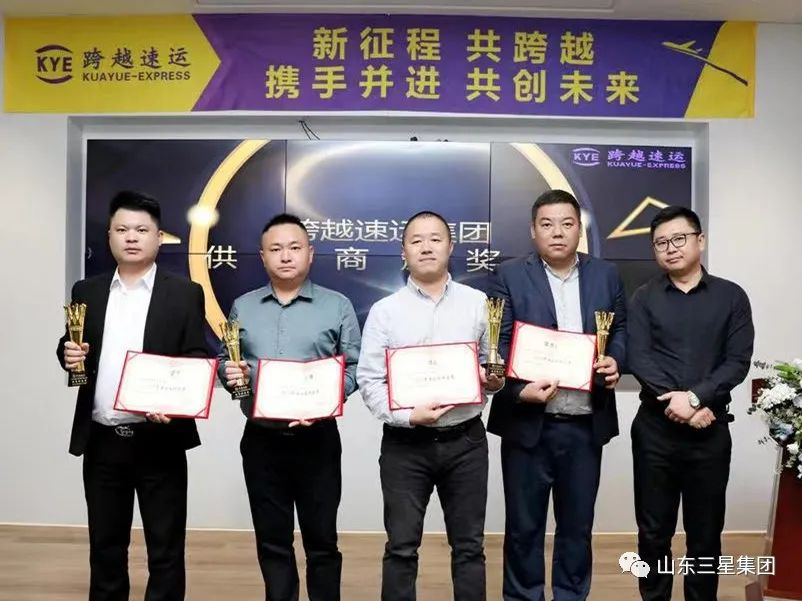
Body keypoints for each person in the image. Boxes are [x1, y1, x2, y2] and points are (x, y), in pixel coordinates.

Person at [57, 190, 208, 601]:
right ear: (109, 236)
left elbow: (197, 358)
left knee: (166, 550)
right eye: (122, 229)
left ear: (159, 237)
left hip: (160, 440)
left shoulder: (184, 293)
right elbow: (71, 348)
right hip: (102, 441)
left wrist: (174, 403)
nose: (131, 237)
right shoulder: (87, 291)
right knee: (105, 549)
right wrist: (67, 355)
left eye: (142, 229)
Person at [487, 189, 627, 601]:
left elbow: (621, 329)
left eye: (567, 224)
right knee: (523, 527)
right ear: (533, 231)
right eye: (547, 224)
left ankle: (570, 594)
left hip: (585, 423)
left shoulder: (606, 274)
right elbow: (499, 341)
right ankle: (523, 596)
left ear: (579, 230)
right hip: (528, 423)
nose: (558, 232)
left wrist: (616, 359)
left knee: (577, 526)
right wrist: (519, 390)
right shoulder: (509, 275)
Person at [357, 210, 504, 601]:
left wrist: (494, 380)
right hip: (406, 445)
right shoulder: (385, 312)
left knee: (469, 547)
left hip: (466, 442)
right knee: (401, 548)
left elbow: (491, 367)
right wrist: (407, 416)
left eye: (435, 238)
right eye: (416, 240)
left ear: (451, 247)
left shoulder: (478, 304)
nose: (426, 247)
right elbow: (369, 381)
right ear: (403, 251)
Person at [219, 213, 361, 601]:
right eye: (276, 249)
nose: (286, 256)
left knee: (322, 542)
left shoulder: (337, 305)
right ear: (262, 256)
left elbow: (354, 366)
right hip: (262, 441)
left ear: (310, 254)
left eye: (295, 247)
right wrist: (230, 375)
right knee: (272, 542)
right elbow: (225, 361)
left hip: (318, 440)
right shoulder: (243, 306)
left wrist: (326, 401)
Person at [628, 206, 754, 601]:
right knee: (653, 533)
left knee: (705, 534)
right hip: (654, 432)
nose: (670, 248)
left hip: (710, 432)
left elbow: (737, 361)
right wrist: (682, 406)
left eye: (678, 239)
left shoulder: (731, 297)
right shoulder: (643, 298)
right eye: (660, 243)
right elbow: (639, 358)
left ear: (700, 240)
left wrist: (696, 399)